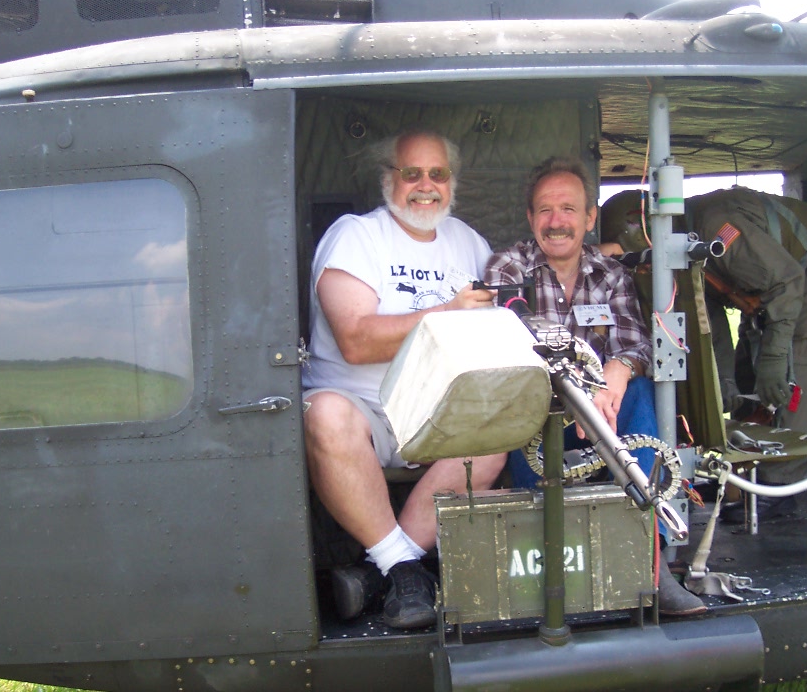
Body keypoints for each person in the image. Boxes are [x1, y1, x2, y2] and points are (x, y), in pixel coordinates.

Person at [483, 156, 706, 617]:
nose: (556, 221)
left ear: (589, 218)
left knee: (641, 394)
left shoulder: (612, 275)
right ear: (530, 219)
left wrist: (615, 377)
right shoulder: (508, 267)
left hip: (602, 412)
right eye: (544, 210)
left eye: (569, 209)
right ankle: (550, 564)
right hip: (536, 413)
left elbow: (634, 345)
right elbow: (506, 350)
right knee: (522, 409)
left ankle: (650, 563)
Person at [301, 129, 503, 630]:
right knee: (326, 415)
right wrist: (447, 312)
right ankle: (403, 567)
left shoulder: (468, 241)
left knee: (497, 432)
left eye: (438, 173)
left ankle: (386, 573)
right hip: (360, 409)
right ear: (387, 178)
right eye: (411, 173)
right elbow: (356, 340)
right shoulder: (356, 235)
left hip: (435, 412)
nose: (425, 185)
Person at [683, 188, 807, 523]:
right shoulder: (680, 249)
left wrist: (774, 360)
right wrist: (724, 380)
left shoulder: (717, 229)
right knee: (749, 376)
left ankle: (782, 488)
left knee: (796, 367)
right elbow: (708, 319)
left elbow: (787, 281)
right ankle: (746, 475)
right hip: (772, 277)